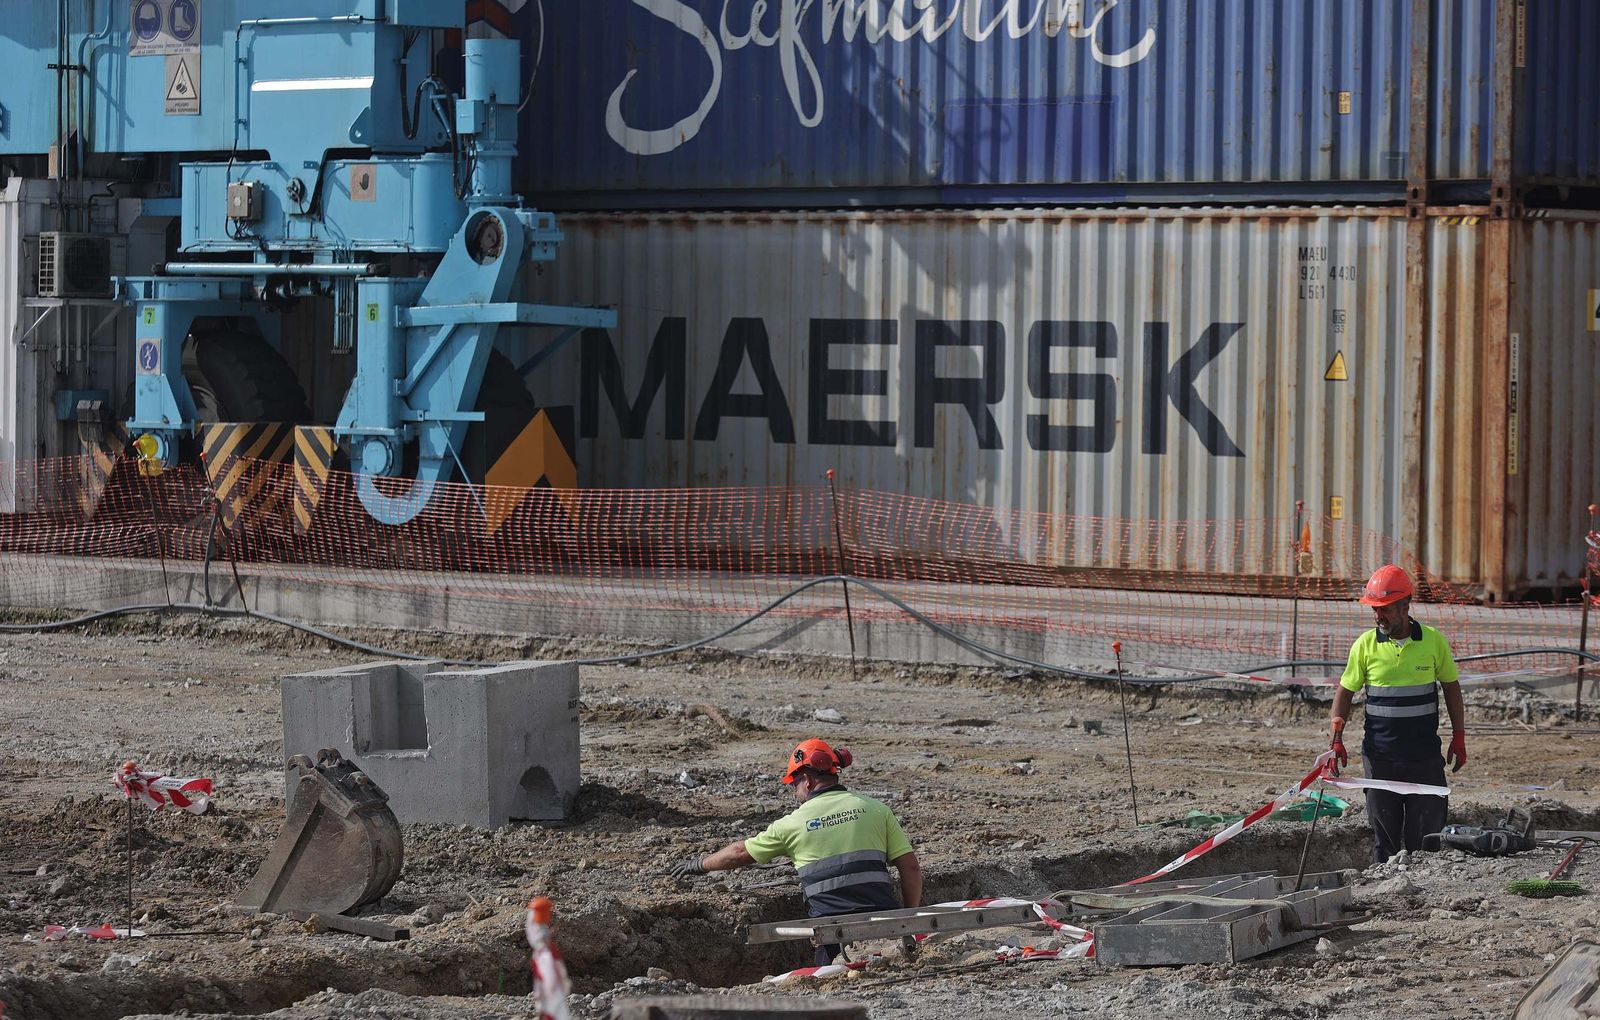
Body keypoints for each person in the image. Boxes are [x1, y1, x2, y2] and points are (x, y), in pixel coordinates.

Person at [668, 737, 922, 965]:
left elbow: (740, 853)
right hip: (885, 928)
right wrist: (908, 920)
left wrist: (700, 864)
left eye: (794, 783)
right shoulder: (876, 809)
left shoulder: (792, 824)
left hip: (832, 936)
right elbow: (910, 867)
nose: (793, 791)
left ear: (808, 781)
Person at [1330, 564, 1466, 863]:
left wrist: (1459, 736)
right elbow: (1345, 691)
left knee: (1427, 838)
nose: (1378, 616)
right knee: (1385, 841)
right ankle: (1384, 884)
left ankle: (1426, 884)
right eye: (1375, 609)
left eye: (1386, 609)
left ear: (1405, 606)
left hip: (1424, 756)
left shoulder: (1433, 641)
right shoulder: (1365, 645)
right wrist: (1336, 740)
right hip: (1380, 757)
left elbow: (1451, 687)